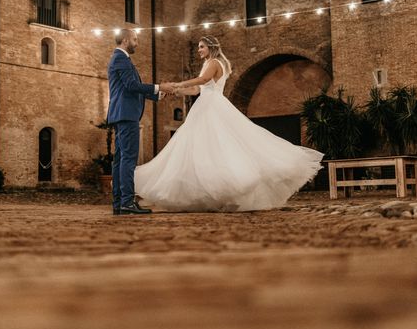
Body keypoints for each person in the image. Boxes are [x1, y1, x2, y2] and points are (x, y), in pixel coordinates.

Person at [135, 35, 324, 212]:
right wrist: (177, 92)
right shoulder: (209, 63)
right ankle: (208, 192)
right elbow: (196, 90)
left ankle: (228, 188)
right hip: (204, 104)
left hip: (212, 107)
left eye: (202, 47)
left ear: (210, 47)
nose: (199, 50)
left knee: (219, 145)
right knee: (203, 148)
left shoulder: (215, 63)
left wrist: (178, 84)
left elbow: (203, 80)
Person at [107, 29, 175, 215]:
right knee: (128, 159)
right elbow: (131, 86)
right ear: (126, 40)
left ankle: (120, 202)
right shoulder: (121, 59)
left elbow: (130, 88)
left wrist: (159, 94)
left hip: (122, 114)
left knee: (120, 160)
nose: (137, 43)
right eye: (135, 40)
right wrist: (160, 86)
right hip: (126, 115)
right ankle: (127, 202)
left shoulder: (120, 59)